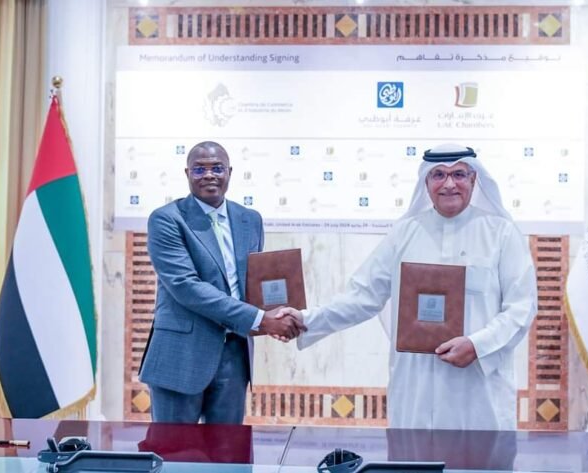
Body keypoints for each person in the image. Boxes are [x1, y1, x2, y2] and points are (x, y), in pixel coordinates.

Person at [293, 143, 537, 430]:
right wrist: (305, 320)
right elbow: (362, 296)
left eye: (459, 174)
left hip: (478, 391)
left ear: (474, 179)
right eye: (438, 175)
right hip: (416, 390)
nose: (449, 184)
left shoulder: (502, 234)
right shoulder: (404, 233)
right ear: (426, 182)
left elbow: (521, 307)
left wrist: (477, 345)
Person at [139, 141, 305, 424]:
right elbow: (186, 287)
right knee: (174, 448)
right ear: (187, 173)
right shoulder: (167, 219)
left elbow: (253, 282)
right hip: (181, 354)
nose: (209, 175)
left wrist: (280, 314)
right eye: (199, 169)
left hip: (234, 354)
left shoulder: (249, 219)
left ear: (229, 172)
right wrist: (260, 319)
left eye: (217, 168)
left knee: (229, 448)